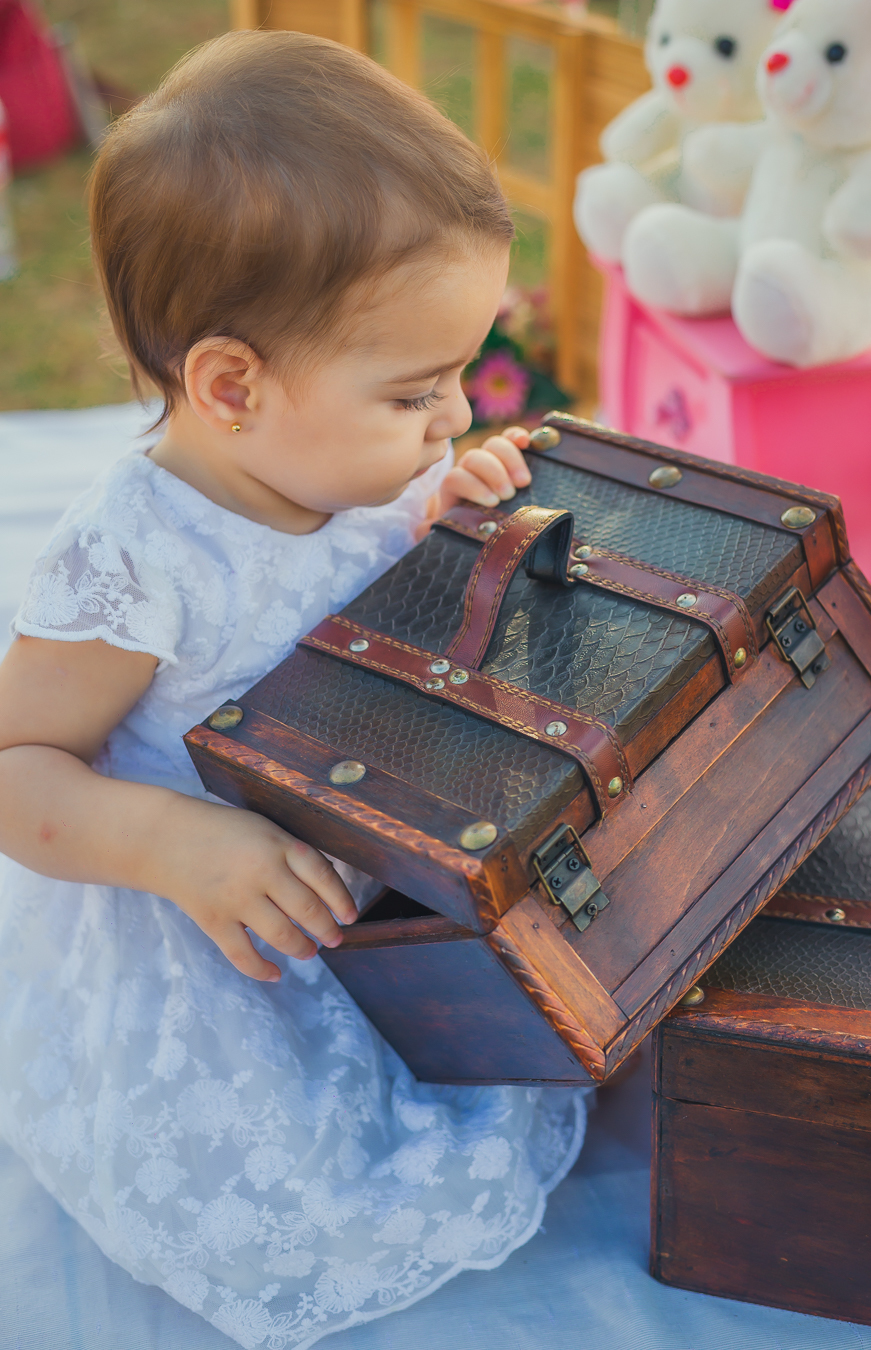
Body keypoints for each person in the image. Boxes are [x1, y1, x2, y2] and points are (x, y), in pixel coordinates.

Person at [0, 32, 587, 1349]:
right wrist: (175, 843)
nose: (450, 417)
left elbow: (364, 557)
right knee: (308, 1173)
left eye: (453, 386)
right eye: (415, 394)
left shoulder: (345, 467)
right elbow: (17, 770)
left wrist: (447, 496)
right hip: (212, 921)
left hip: (355, 831)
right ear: (230, 388)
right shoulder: (135, 562)